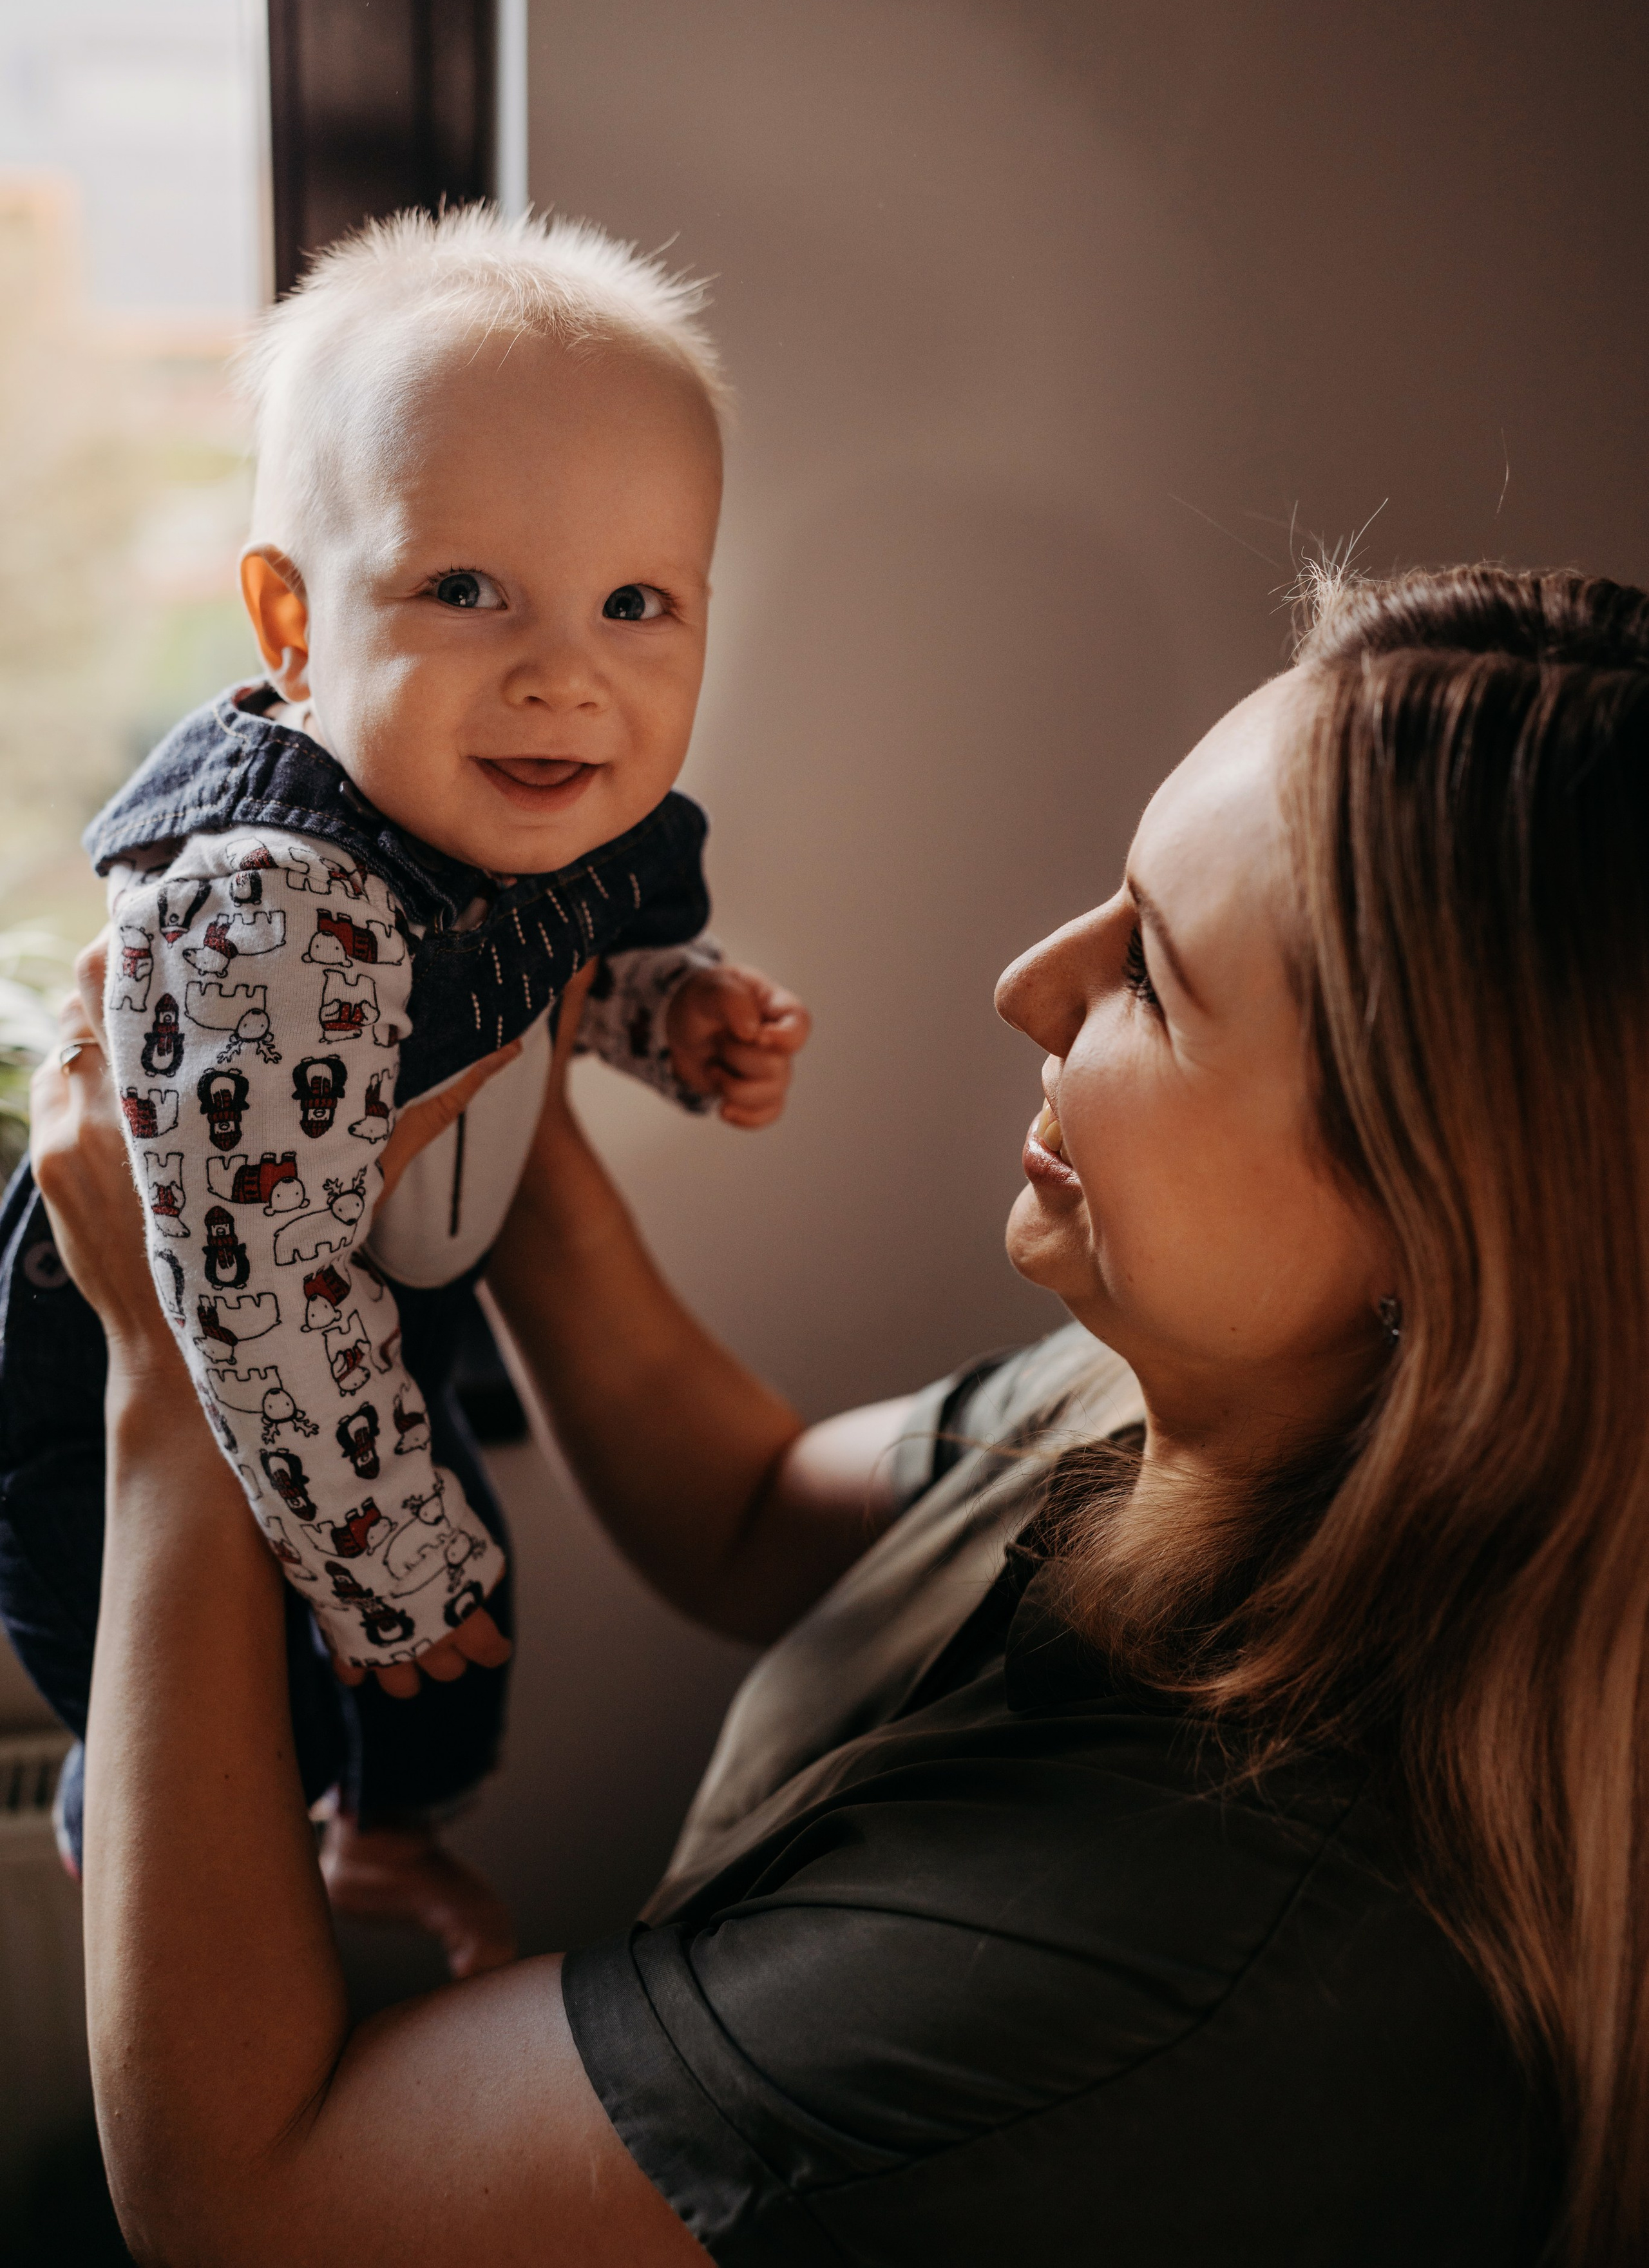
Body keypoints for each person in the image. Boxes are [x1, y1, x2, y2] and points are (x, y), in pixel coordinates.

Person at [30, 562, 1648, 2264]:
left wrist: (192, 1346)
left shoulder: (1171, 1953)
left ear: (1435, 1233)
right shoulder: (1190, 1398)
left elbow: (247, 2203)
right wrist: (486, 1059)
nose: (1029, 985)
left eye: (1153, 981)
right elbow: (747, 1517)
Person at [0, 203, 808, 1968]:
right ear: (292, 623)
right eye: (464, 590)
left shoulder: (514, 794)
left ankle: (378, 1836)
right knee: (245, 1655)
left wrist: (662, 1014)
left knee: (450, 1643)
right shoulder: (274, 910)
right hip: (169, 1329)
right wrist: (376, 1539)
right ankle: (118, 1814)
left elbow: (547, 960)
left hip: (361, 1304)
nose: (564, 672)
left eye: (636, 604)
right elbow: (244, 1283)